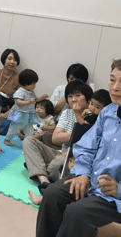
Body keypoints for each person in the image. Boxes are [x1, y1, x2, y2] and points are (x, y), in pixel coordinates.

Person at [35, 59, 121, 237]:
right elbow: (86, 147)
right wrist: (83, 174)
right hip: (91, 179)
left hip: (113, 195)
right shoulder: (108, 112)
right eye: (112, 80)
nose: (115, 87)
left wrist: (119, 189)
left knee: (77, 213)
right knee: (52, 195)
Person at [23, 80, 93, 188]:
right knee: (28, 141)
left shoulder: (94, 115)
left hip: (75, 159)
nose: (73, 99)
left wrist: (70, 135)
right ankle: (44, 180)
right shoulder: (67, 112)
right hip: (61, 153)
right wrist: (79, 133)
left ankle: (36, 166)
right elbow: (55, 138)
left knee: (57, 166)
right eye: (70, 96)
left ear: (88, 98)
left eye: (78, 95)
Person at [4, 69, 49, 146]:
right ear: (26, 83)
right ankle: (7, 139)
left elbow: (35, 100)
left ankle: (28, 143)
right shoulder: (20, 91)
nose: (35, 85)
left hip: (29, 115)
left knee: (29, 130)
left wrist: (42, 97)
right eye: (33, 83)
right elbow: (18, 101)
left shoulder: (31, 92)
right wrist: (28, 102)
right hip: (20, 115)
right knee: (13, 128)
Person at [0, 49, 21, 116]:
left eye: (15, 60)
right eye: (10, 59)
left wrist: (6, 114)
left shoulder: (18, 78)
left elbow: (19, 101)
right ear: (4, 59)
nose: (12, 62)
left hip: (7, 109)